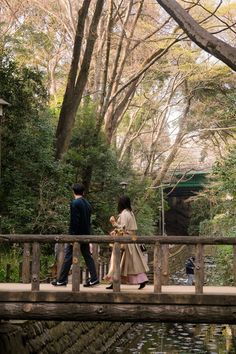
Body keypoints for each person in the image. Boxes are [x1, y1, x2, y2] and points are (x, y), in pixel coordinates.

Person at [51, 183, 99, 287]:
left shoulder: (75, 203)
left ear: (73, 192)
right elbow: (87, 222)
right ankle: (94, 278)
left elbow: (74, 221)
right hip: (86, 234)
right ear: (83, 192)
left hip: (76, 235)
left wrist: (72, 236)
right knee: (87, 256)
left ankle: (62, 280)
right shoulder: (88, 204)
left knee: (68, 256)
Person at [104, 195, 149, 290]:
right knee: (134, 263)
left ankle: (114, 281)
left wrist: (113, 222)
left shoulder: (124, 214)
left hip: (125, 241)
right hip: (131, 239)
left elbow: (122, 228)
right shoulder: (130, 213)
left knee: (117, 261)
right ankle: (142, 279)